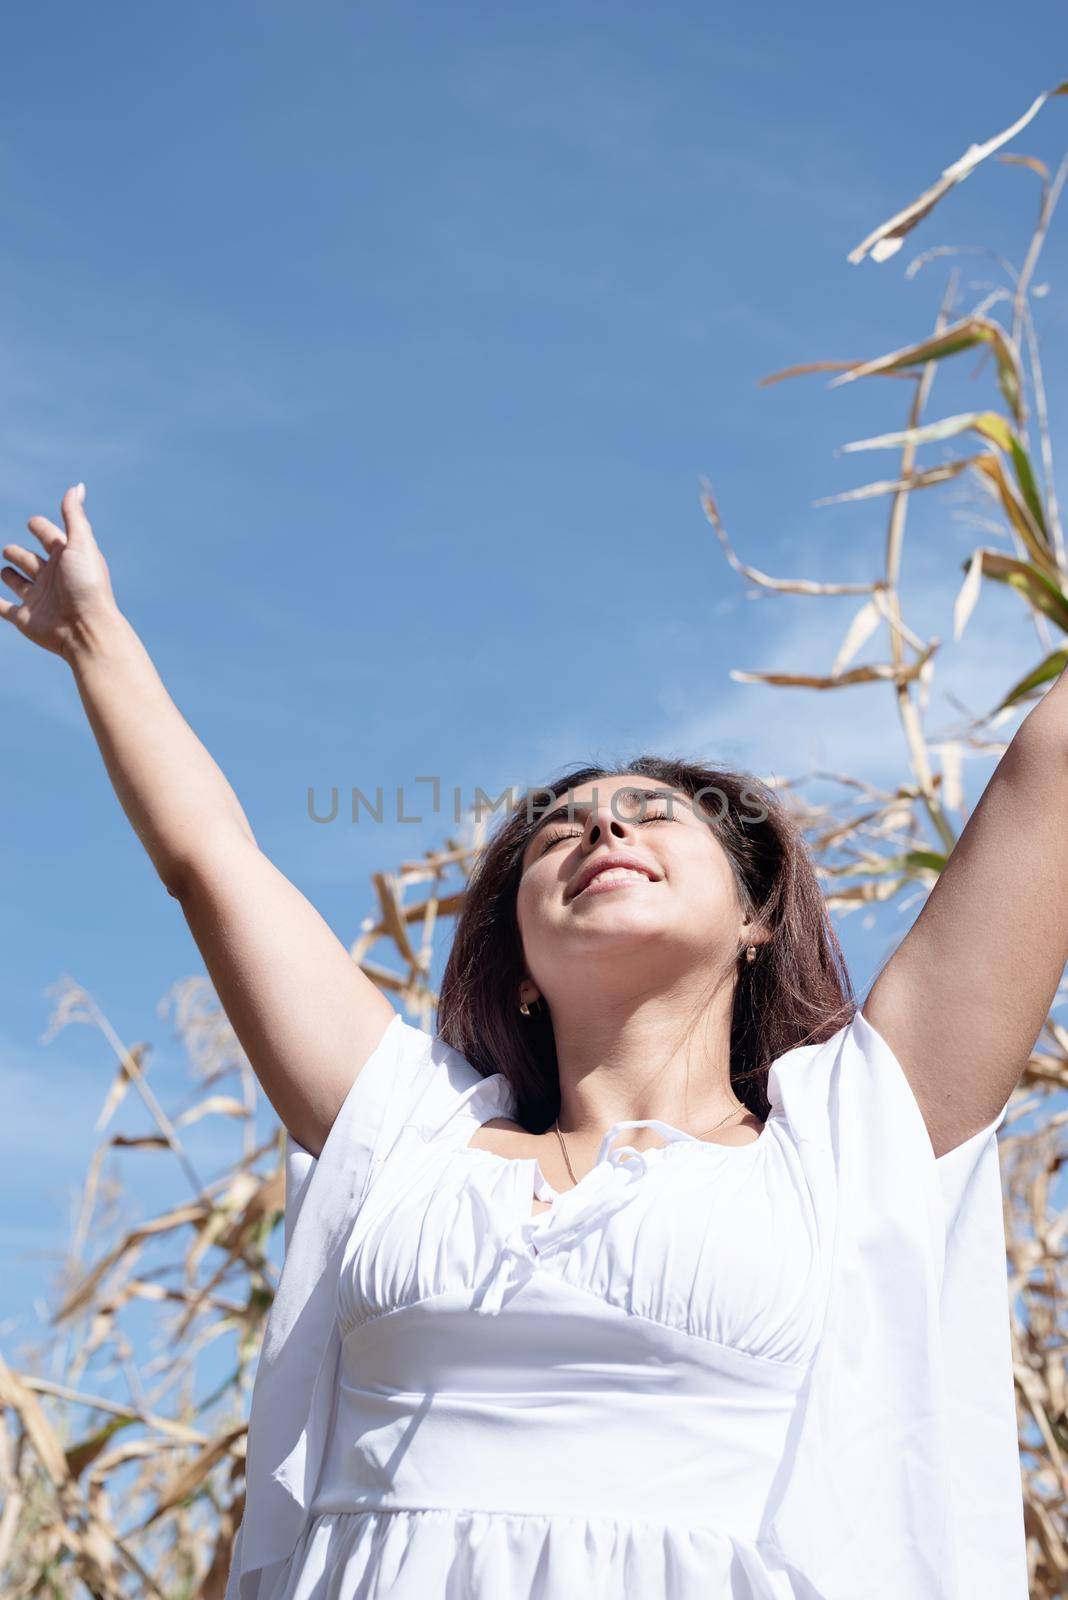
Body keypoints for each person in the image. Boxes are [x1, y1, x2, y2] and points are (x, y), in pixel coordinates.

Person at [4, 486, 1055, 1599]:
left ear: (756, 918)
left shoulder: (854, 1136)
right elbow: (210, 859)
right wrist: (91, 637)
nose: (604, 824)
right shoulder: (406, 1126)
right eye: (563, 826)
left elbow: (1055, 770)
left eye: (654, 816)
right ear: (511, 953)